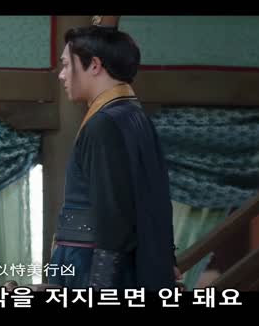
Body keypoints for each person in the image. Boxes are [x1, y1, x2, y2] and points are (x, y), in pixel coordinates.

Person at [47, 23, 180, 290]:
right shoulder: (134, 116)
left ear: (95, 65)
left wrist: (99, 286)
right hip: (123, 262)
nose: (61, 75)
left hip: (89, 261)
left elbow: (112, 215)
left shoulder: (105, 123)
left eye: (66, 65)